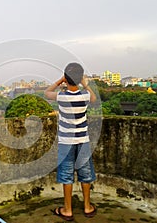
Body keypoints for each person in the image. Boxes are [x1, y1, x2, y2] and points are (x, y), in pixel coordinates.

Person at [44, 62, 97, 221]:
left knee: (66, 175)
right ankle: (87, 207)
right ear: (80, 78)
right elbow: (94, 98)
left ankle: (67, 210)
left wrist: (60, 81)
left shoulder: (62, 96)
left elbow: (47, 92)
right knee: (85, 173)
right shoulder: (85, 96)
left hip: (66, 142)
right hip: (83, 141)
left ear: (66, 79)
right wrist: (85, 84)